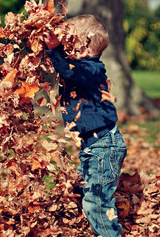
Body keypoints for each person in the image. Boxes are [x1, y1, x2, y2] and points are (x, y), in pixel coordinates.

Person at [45, 14, 127, 237]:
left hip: (104, 147)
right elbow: (68, 72)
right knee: (81, 189)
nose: (65, 47)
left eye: (69, 42)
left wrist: (54, 51)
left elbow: (70, 72)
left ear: (84, 45)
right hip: (94, 148)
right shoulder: (82, 69)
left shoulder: (91, 70)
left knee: (97, 203)